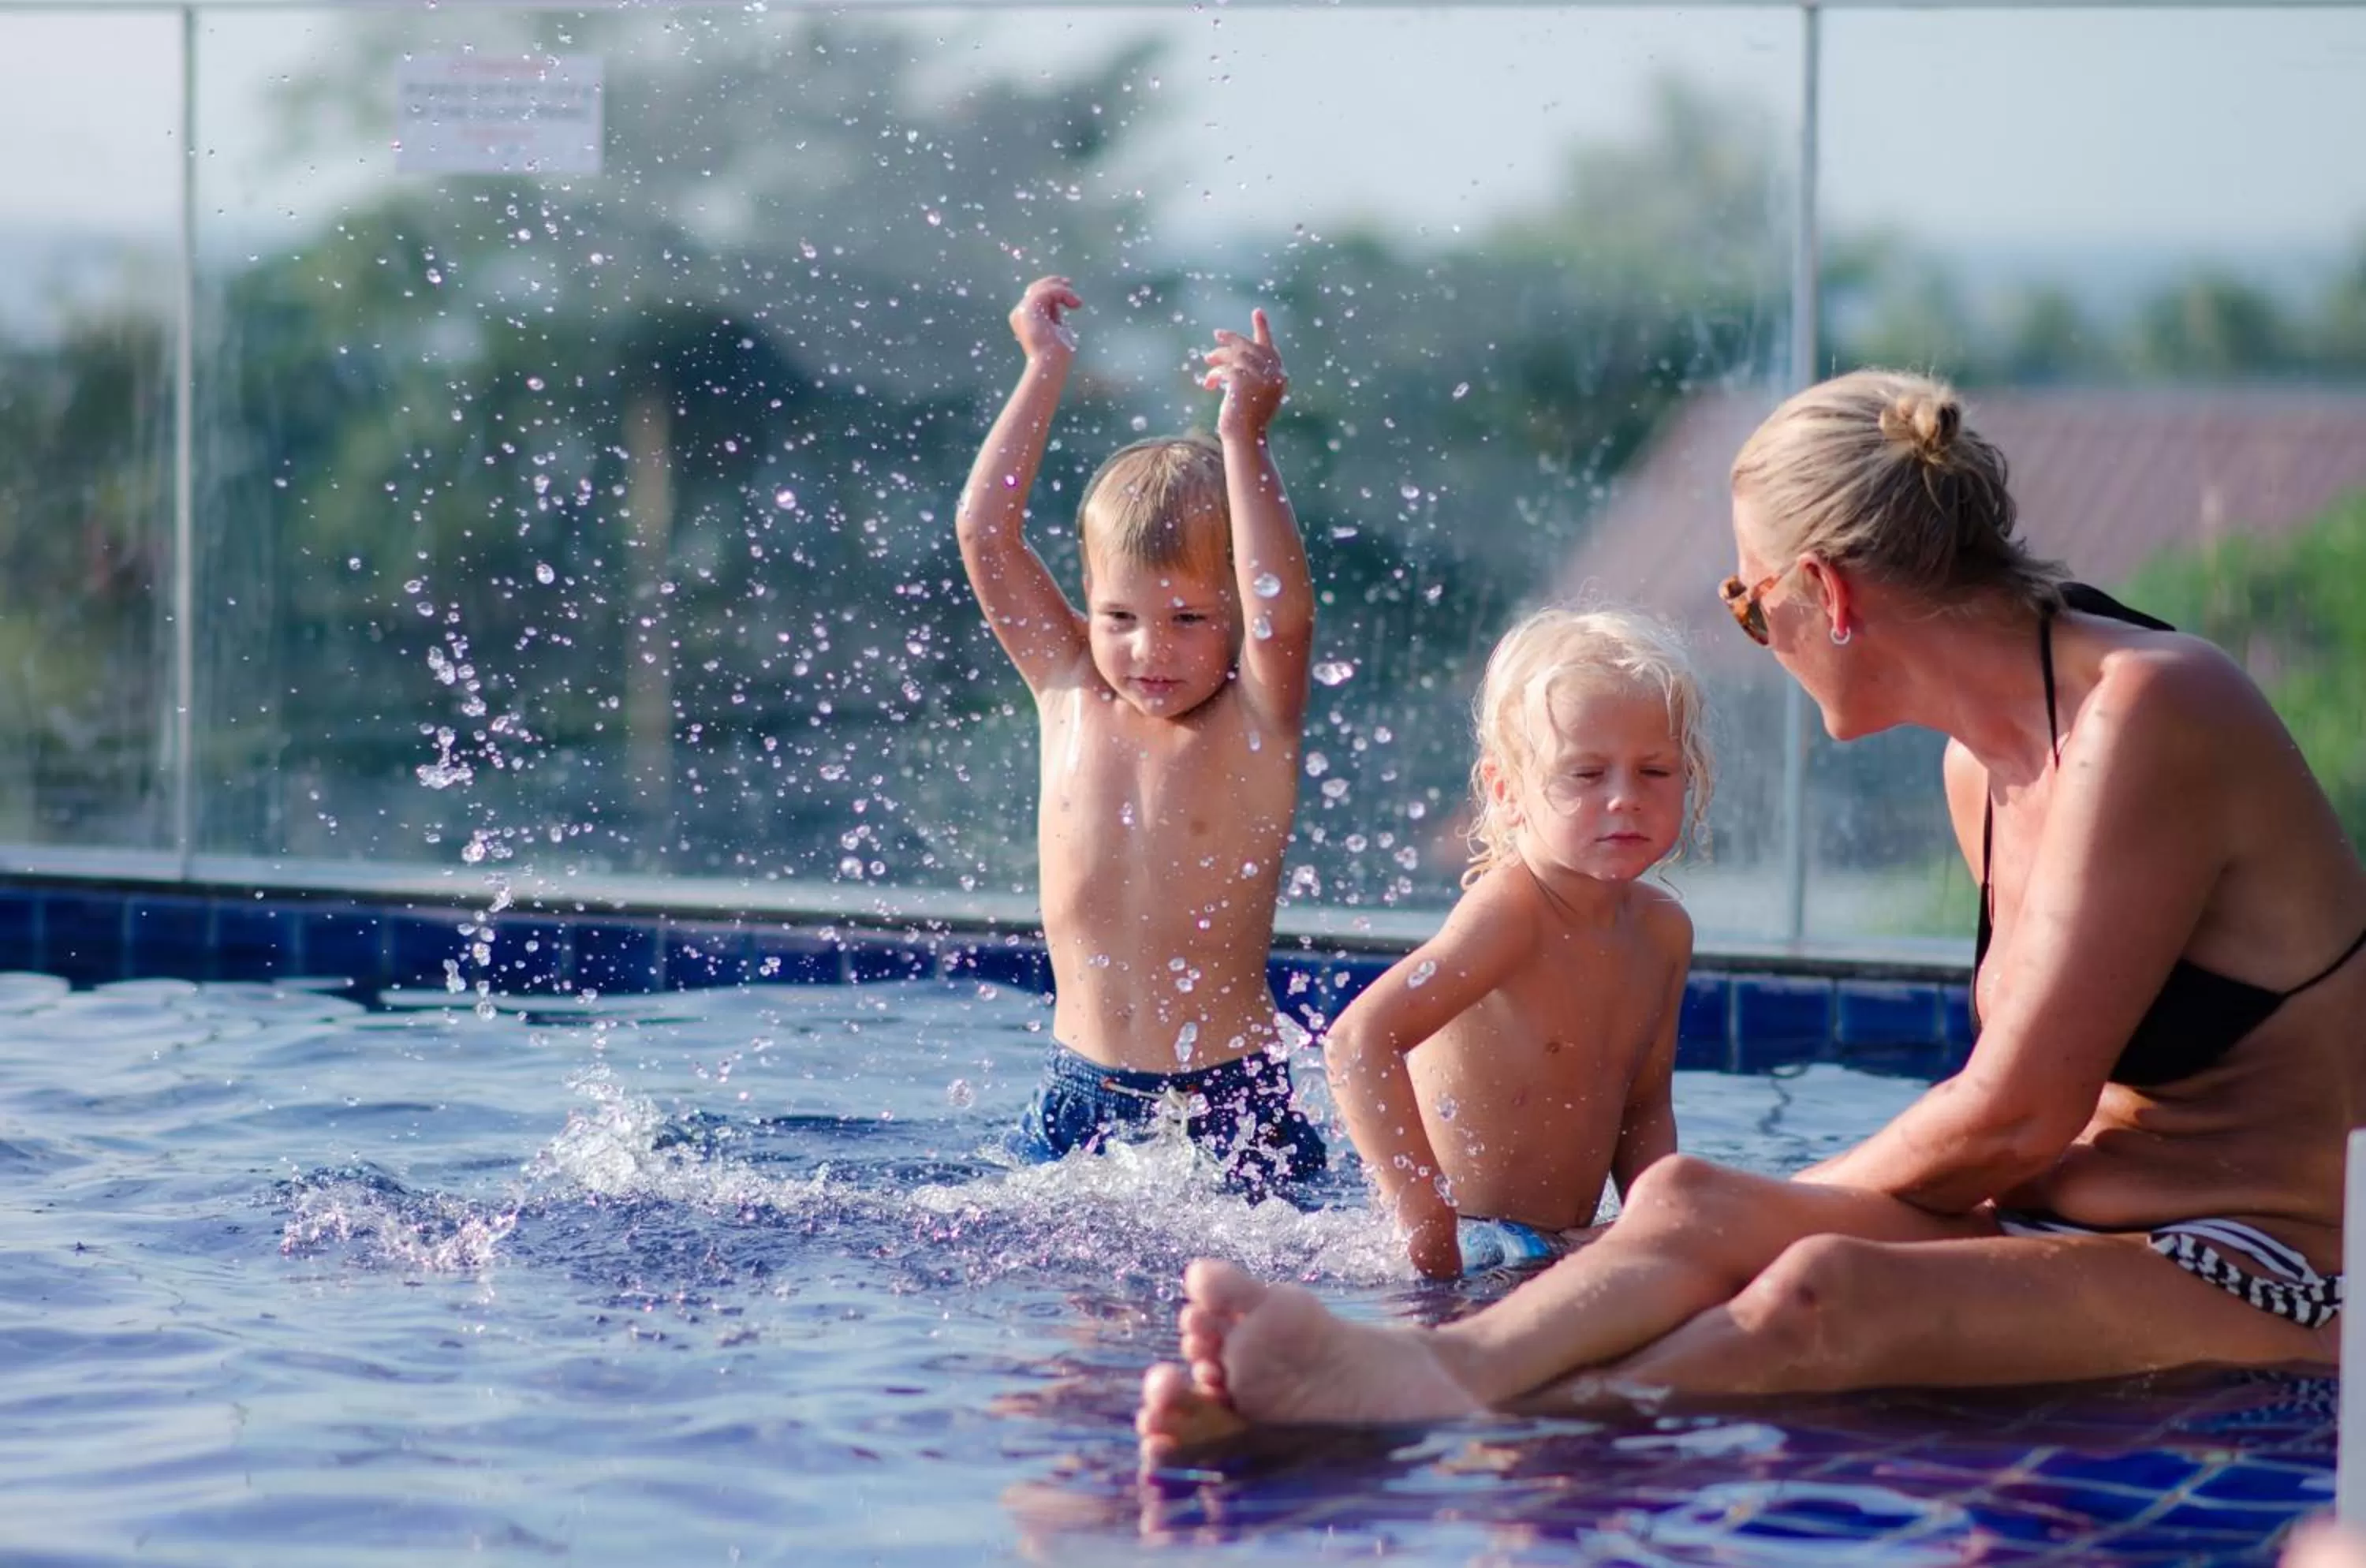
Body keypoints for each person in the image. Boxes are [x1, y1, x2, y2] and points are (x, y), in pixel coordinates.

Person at [1136, 367, 2365, 1460]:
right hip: (2067, 1225)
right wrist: (1722, 1218)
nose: (1755, 635)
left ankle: (1423, 1412)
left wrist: (1783, 1215)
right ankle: (1409, 1387)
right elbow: (2014, 1137)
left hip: (2277, 1270)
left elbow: (2016, 1114)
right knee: (1687, 1203)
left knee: (1819, 1289)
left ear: (1824, 594)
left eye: (1745, 603)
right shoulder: (1977, 770)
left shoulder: (2153, 713)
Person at [959, 275, 1323, 1195]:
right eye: (1120, 614)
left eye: (1192, 619)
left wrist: (1244, 437)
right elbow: (985, 535)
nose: (1150, 650)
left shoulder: (1255, 717)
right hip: (1079, 1093)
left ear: (1234, 614)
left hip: (1232, 1105)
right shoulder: (1070, 688)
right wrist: (1044, 370)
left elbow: (1283, 618)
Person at [1325, 607, 1704, 1279]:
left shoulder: (1663, 932)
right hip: (1474, 1241)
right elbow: (1358, 1040)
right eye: (1586, 775)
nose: (1626, 799)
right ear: (1507, 792)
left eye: (1655, 771)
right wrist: (1424, 1216)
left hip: (1556, 1245)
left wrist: (1659, 1228)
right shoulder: (1512, 914)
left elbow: (1644, 1107)